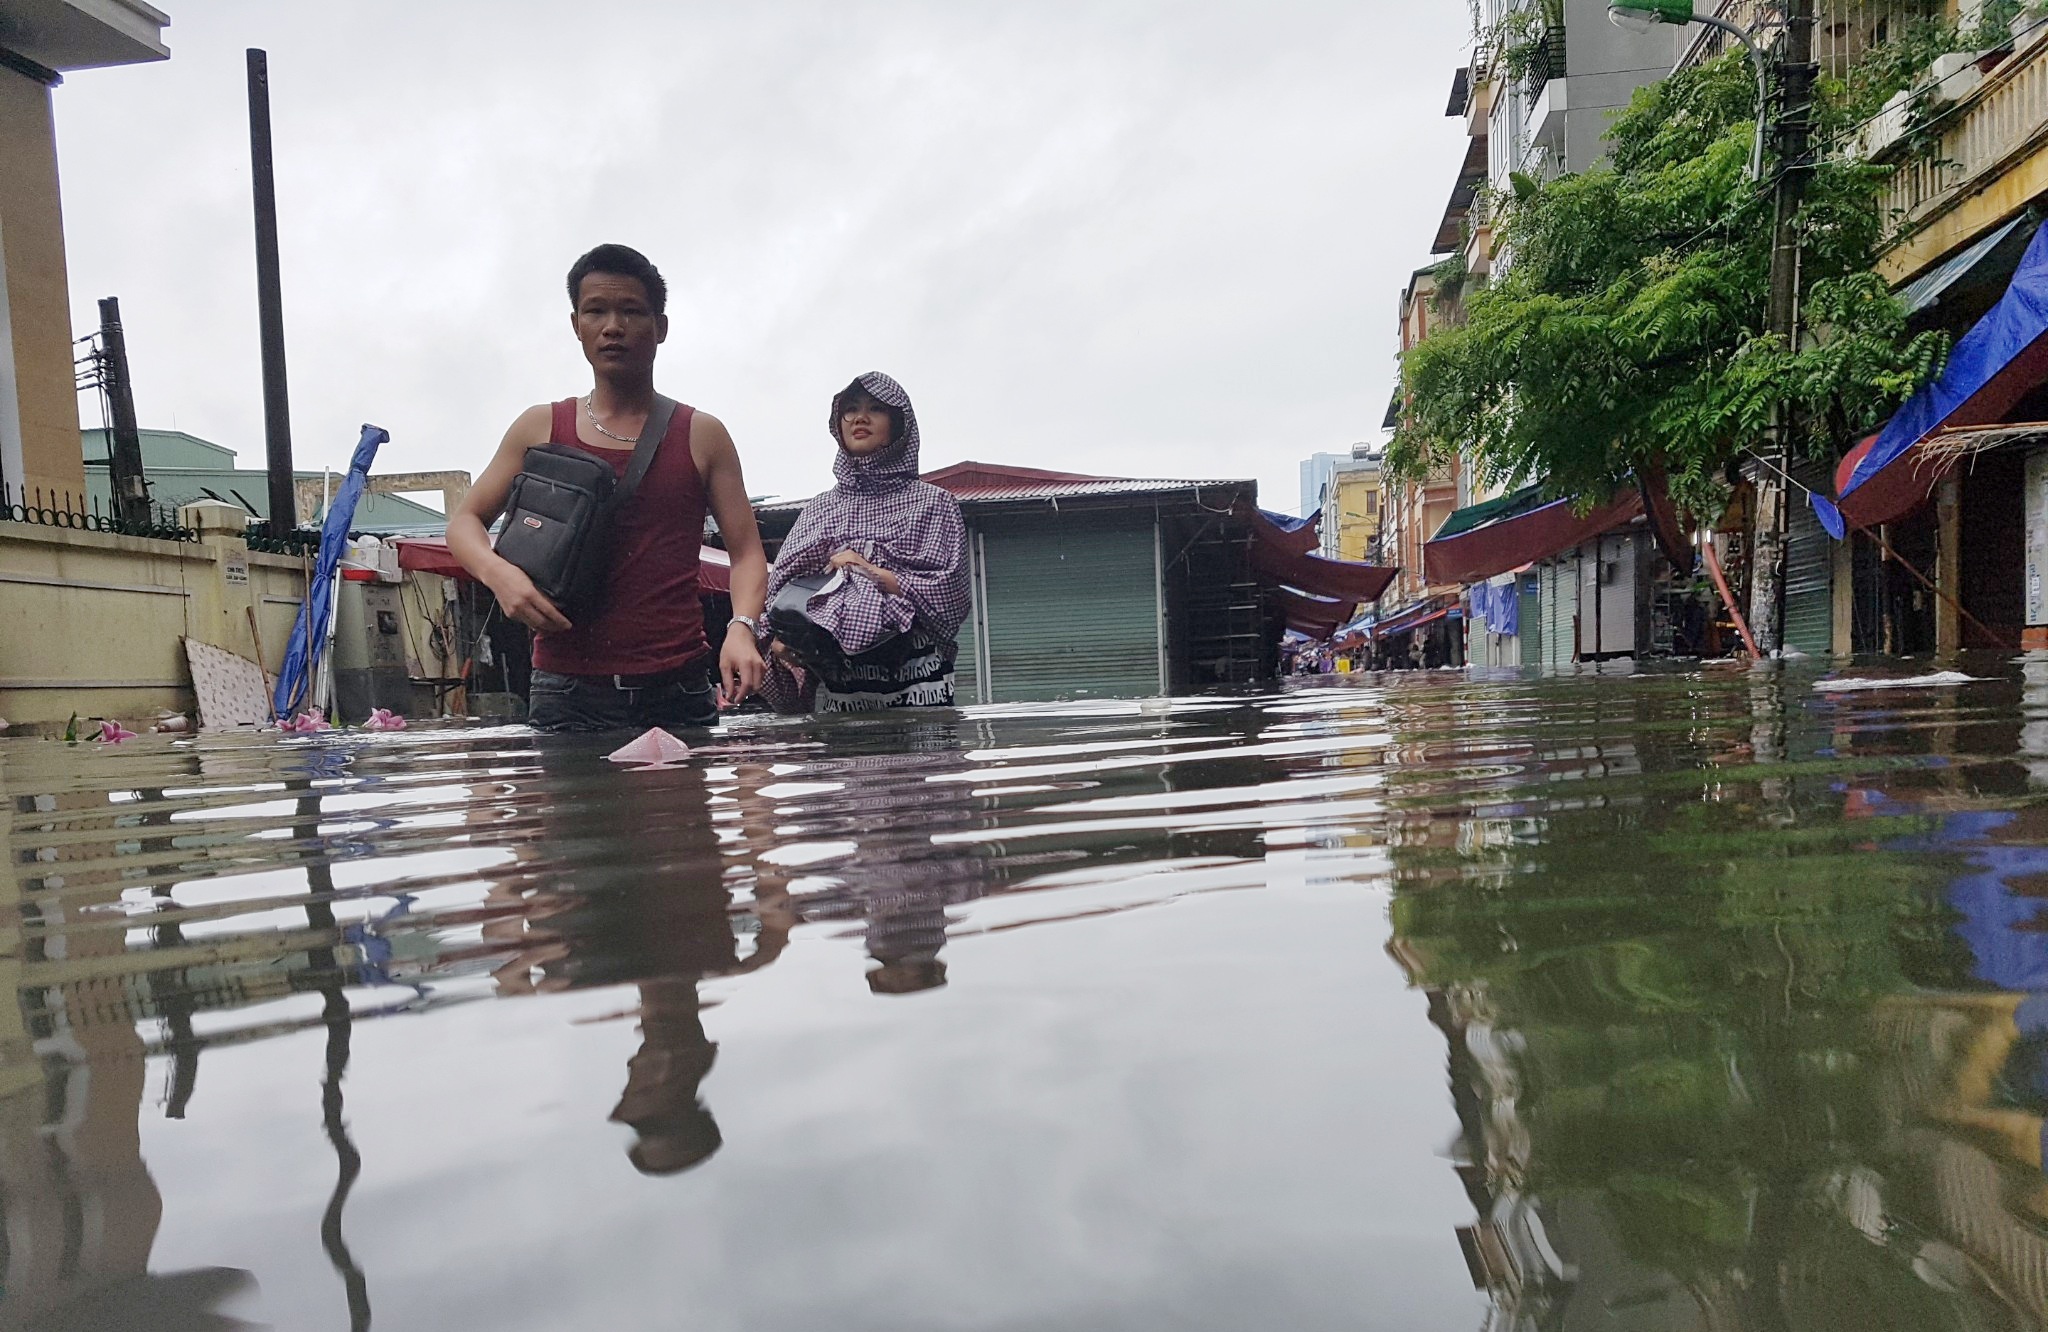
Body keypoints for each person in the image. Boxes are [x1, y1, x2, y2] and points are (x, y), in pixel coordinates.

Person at [448, 243, 768, 731]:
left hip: (678, 688)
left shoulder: (702, 435)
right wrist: (499, 575)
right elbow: (465, 522)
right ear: (576, 324)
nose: (613, 326)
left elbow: (746, 553)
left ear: (660, 327)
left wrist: (741, 628)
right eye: (595, 311)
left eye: (632, 311)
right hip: (567, 690)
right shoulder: (540, 427)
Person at [759, 372, 970, 713]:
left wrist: (868, 571)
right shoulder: (820, 508)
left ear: (899, 424)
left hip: (916, 682)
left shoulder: (933, 503)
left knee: (921, 748)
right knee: (840, 748)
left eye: (875, 408)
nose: (860, 417)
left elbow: (950, 597)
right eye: (851, 409)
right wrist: (785, 638)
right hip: (839, 687)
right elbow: (780, 591)